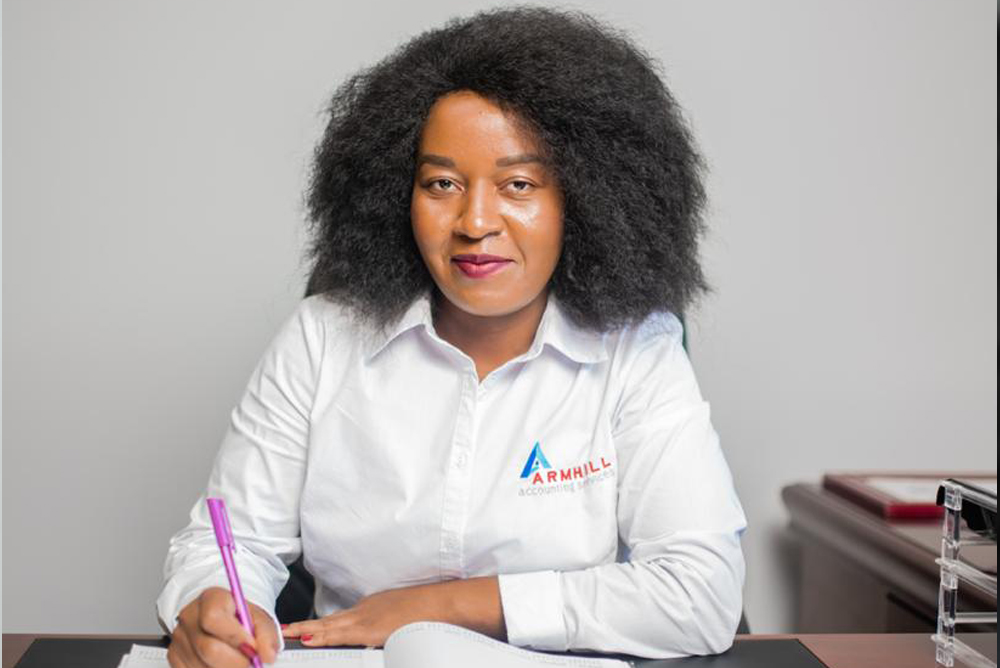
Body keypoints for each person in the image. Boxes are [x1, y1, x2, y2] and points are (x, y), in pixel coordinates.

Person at [156, 6, 747, 667]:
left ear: (583, 201)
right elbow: (226, 545)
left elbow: (702, 594)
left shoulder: (636, 349)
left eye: (518, 184)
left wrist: (446, 604)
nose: (474, 221)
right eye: (442, 184)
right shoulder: (321, 337)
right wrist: (212, 605)